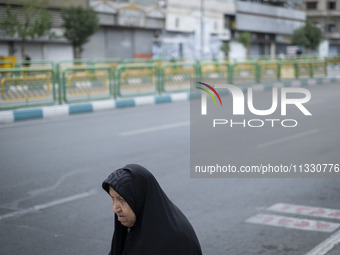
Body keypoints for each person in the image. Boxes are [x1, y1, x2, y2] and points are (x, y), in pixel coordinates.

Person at [102, 164, 203, 255]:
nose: (115, 209)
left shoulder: (175, 240)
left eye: (122, 200)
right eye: (112, 199)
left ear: (140, 198)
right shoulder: (131, 225)